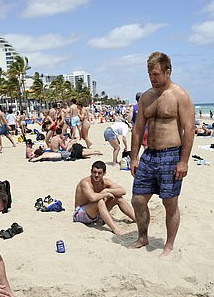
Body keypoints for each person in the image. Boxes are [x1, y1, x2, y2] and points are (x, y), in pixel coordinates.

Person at [130, 52, 195, 257]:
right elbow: (138, 129)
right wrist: (134, 156)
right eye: (149, 74)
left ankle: (168, 245)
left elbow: (189, 129)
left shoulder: (180, 95)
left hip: (171, 155)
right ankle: (143, 237)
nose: (152, 78)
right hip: (149, 155)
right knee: (138, 200)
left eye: (156, 74)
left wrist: (183, 161)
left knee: (169, 202)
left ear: (168, 71)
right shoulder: (147, 97)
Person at [73, 161, 136, 235]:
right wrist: (104, 194)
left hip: (96, 213)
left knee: (119, 198)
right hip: (80, 214)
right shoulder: (85, 182)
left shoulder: (105, 182)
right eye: (94, 172)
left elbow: (123, 191)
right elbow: (92, 198)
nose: (96, 175)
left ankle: (136, 219)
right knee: (100, 201)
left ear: (104, 173)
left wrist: (107, 190)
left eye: (99, 173)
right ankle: (115, 229)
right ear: (91, 172)